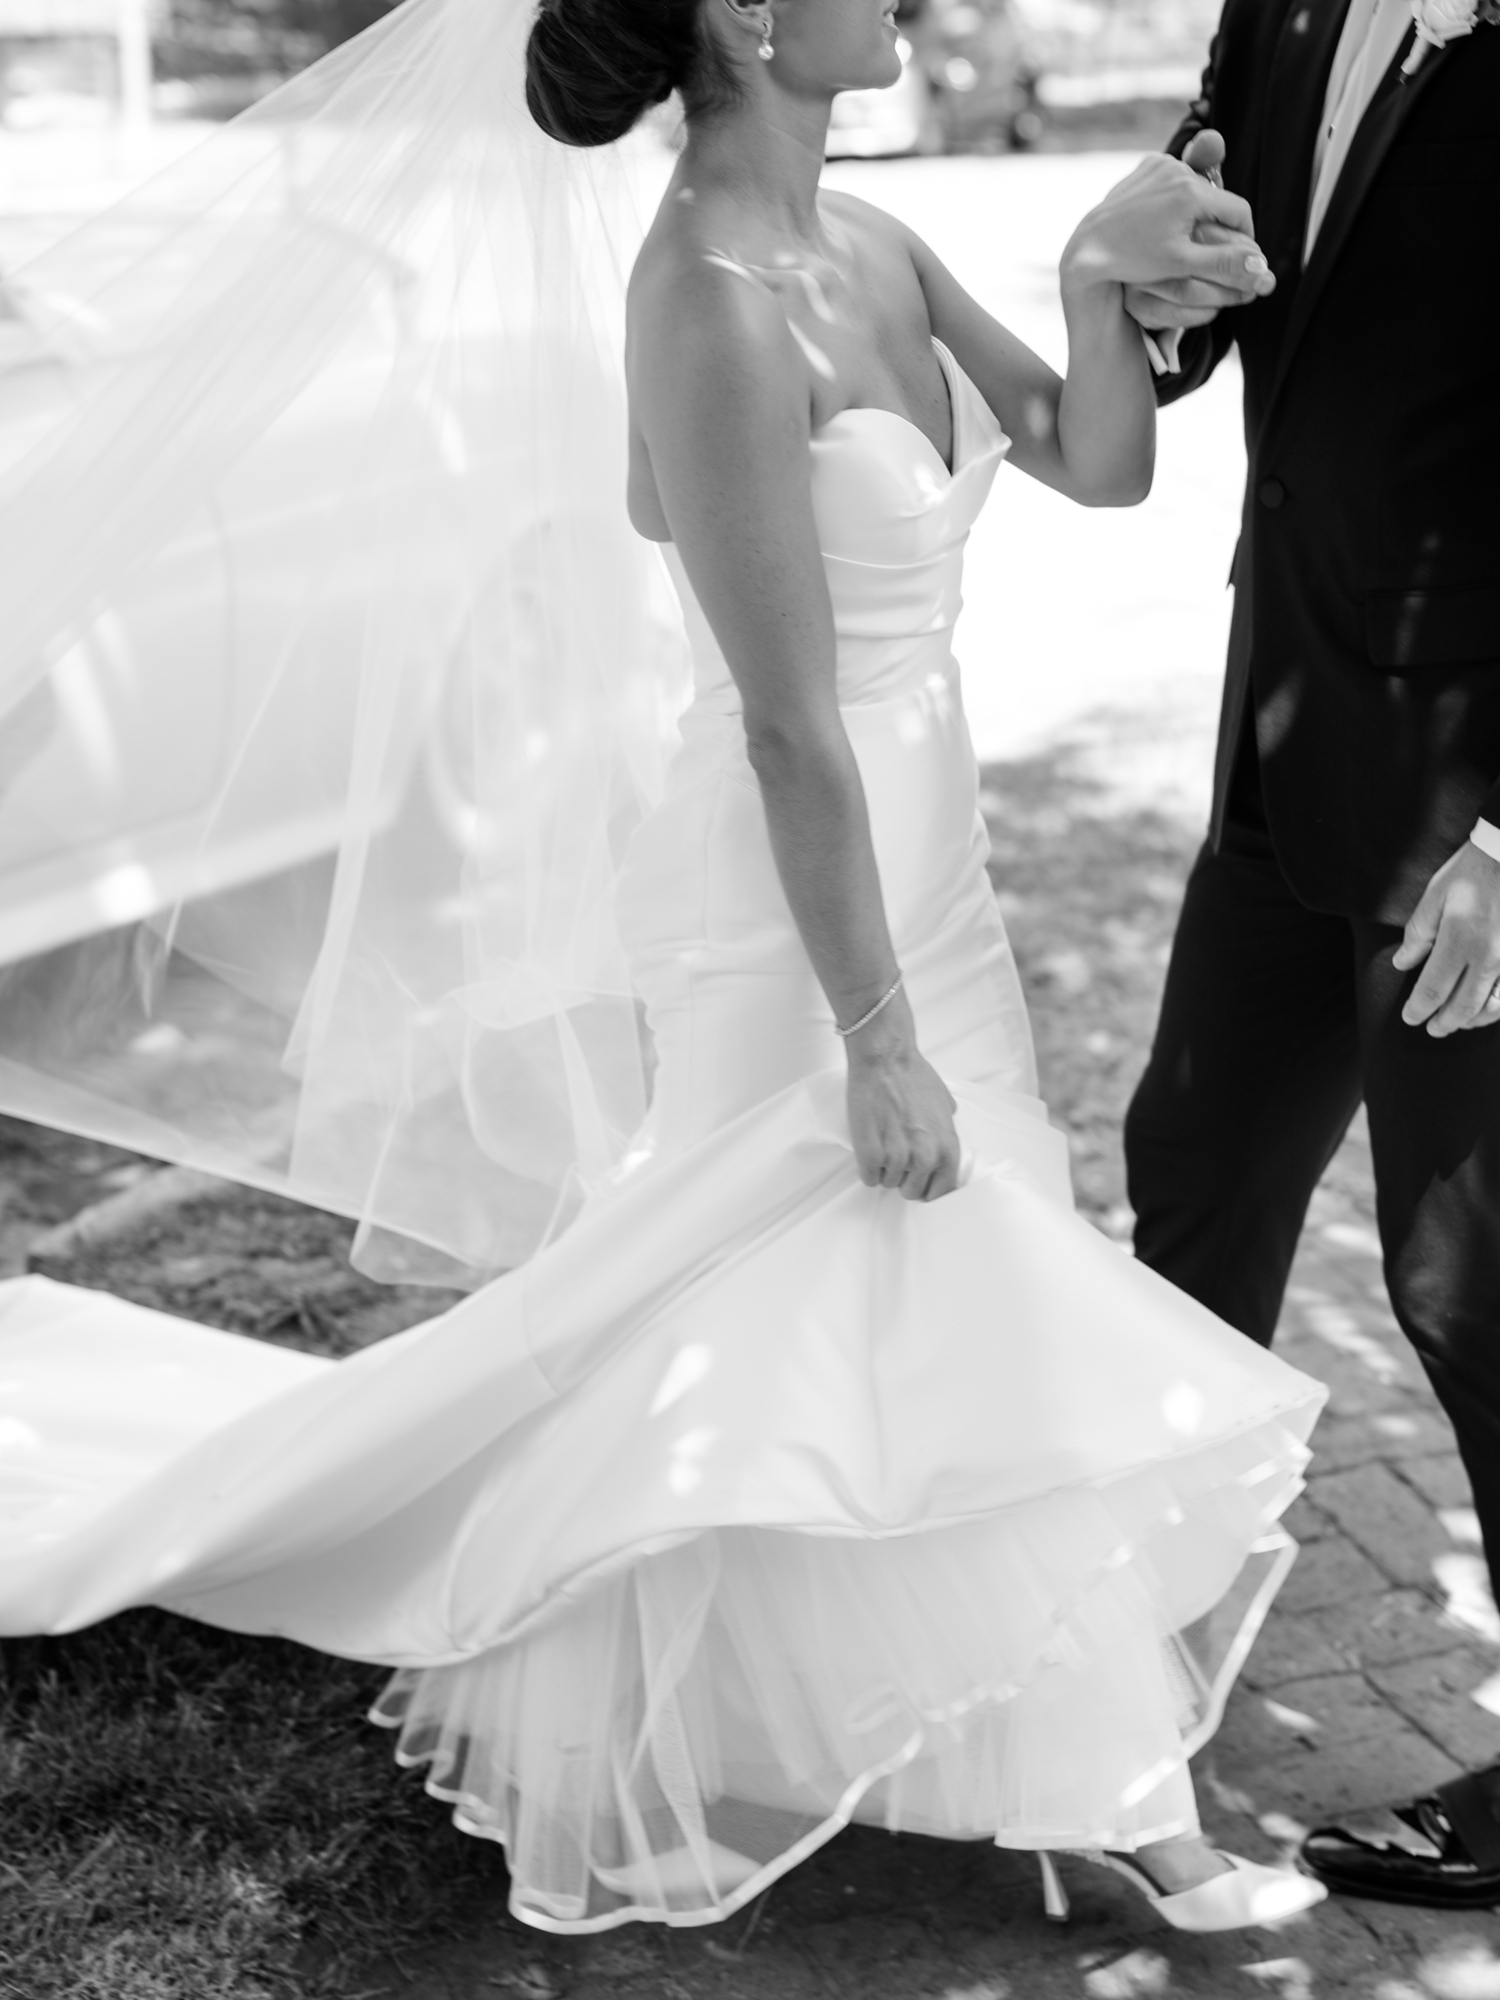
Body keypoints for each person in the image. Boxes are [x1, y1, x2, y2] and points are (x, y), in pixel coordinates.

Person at [0, 0, 1325, 1941]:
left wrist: (1096, 273)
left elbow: (1087, 461)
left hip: (922, 836)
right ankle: (1113, 1788)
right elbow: (788, 724)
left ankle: (891, 1713)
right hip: (796, 877)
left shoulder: (865, 247)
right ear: (743, 19)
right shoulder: (704, 293)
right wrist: (874, 1037)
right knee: (902, 1249)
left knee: (892, 1268)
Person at [1120, 0, 1500, 1910]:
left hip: (1466, 810)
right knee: (1192, 1173)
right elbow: (1218, 290)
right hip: (1282, 741)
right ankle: (1131, 1676)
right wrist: (1165, 298)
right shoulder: (1282, 9)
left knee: (1470, 1284)